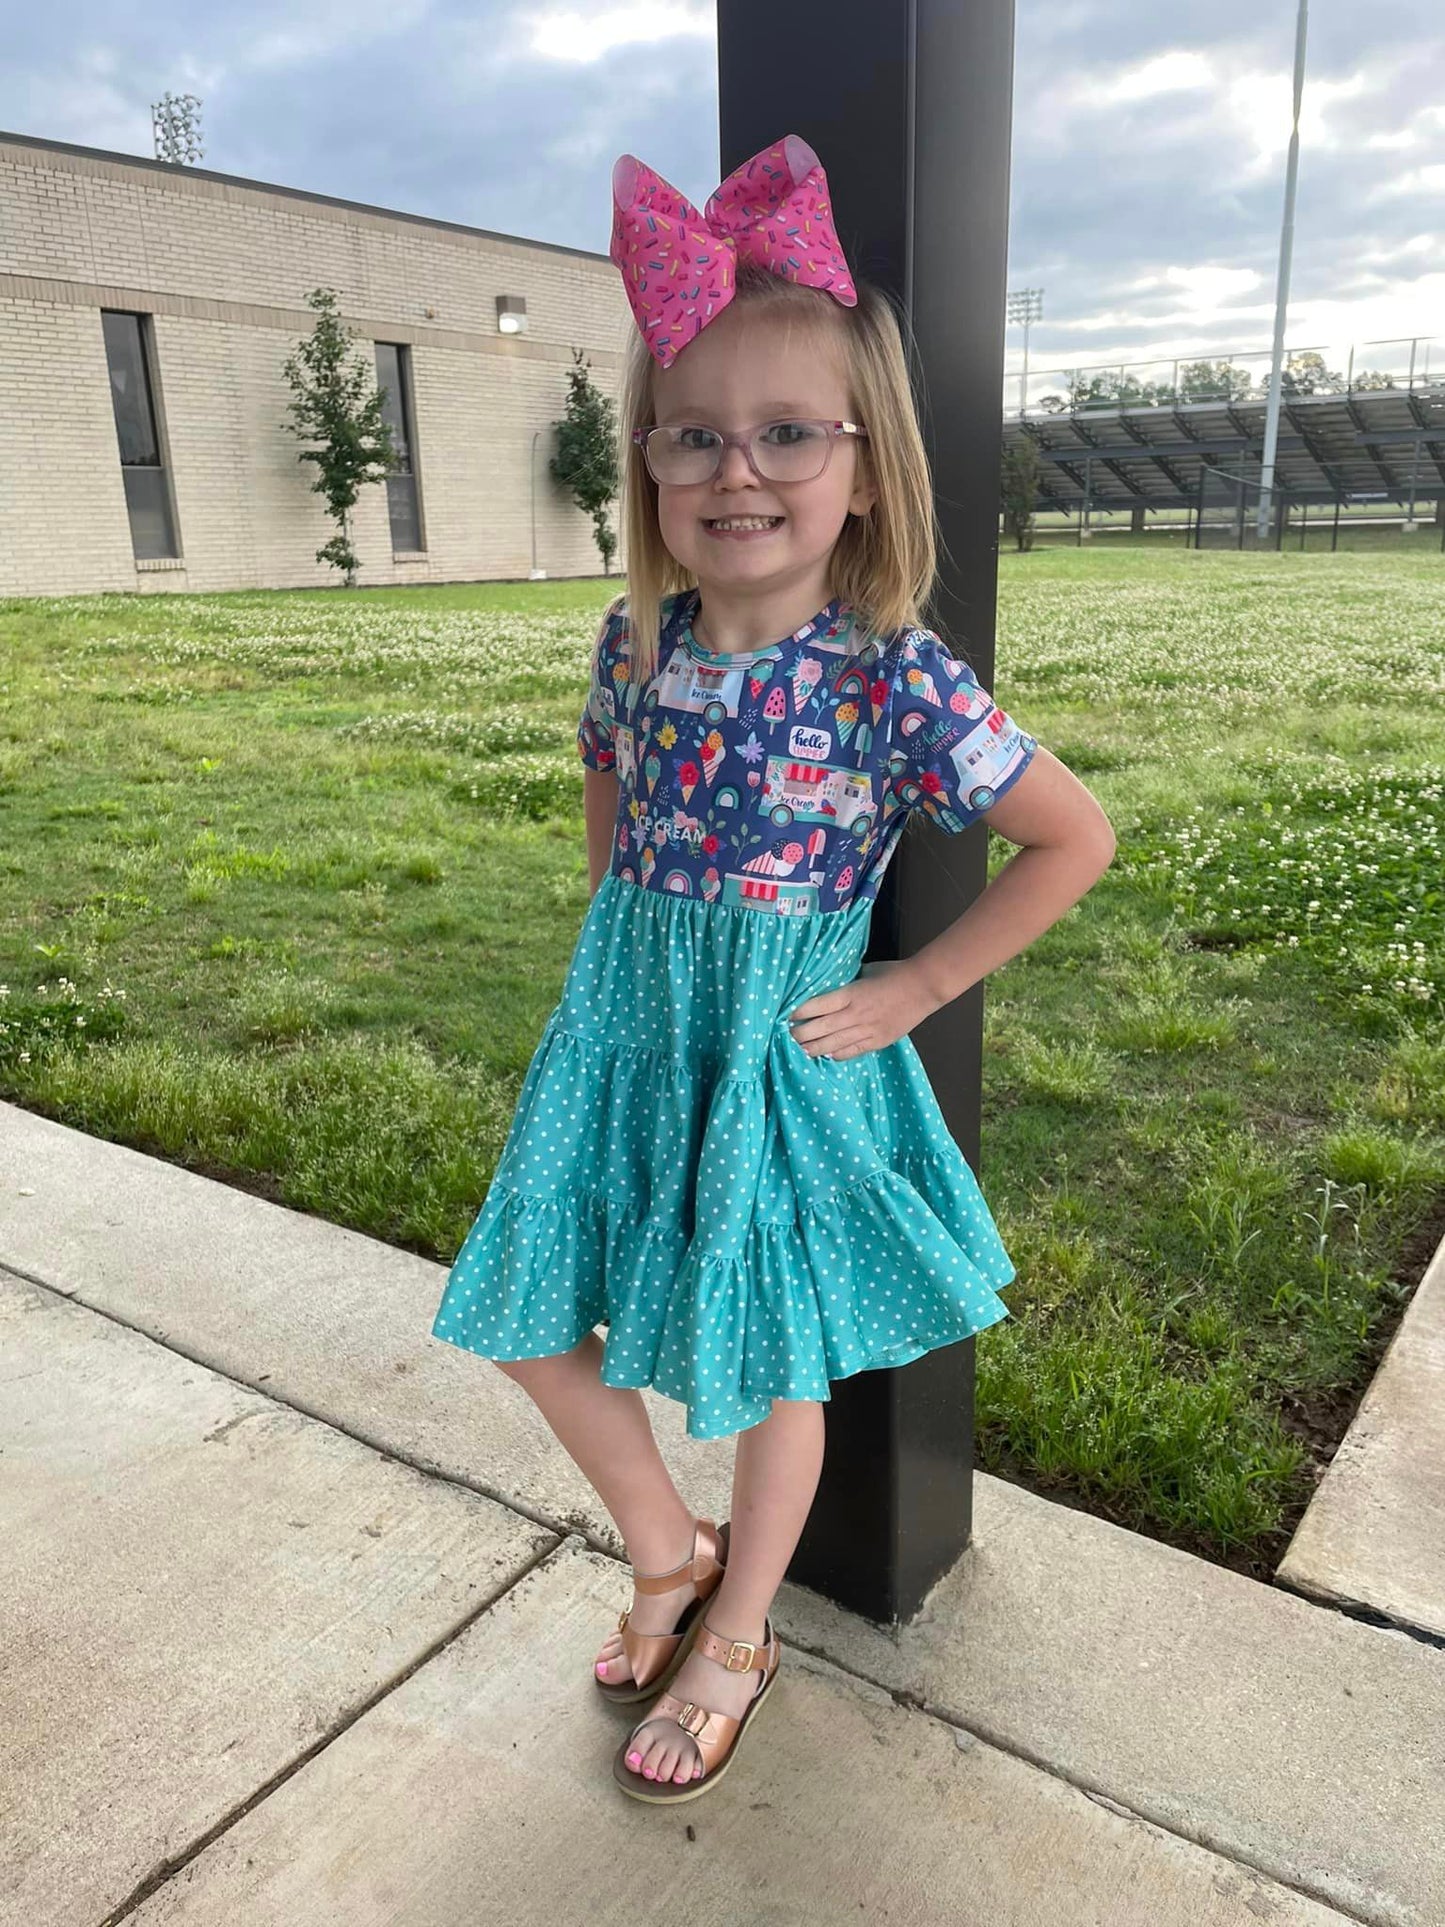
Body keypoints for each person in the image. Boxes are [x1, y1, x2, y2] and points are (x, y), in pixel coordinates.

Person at [430, 134, 1116, 1804]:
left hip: (783, 1043)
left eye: (789, 435)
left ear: (866, 470)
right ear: (652, 464)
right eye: (693, 438)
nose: (737, 471)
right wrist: (614, 935)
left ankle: (739, 1629)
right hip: (629, 1023)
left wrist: (912, 990)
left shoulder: (895, 681)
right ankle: (665, 1552)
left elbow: (1071, 838)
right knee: (525, 1311)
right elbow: (607, 782)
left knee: (771, 1356)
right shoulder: (636, 641)